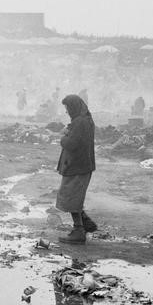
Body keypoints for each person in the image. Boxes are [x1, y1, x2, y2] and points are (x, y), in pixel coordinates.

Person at [55, 94, 97, 244]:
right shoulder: (85, 120)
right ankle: (85, 222)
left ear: (73, 107)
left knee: (70, 196)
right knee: (74, 196)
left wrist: (63, 137)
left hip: (77, 166)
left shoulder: (80, 123)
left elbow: (71, 144)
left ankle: (79, 230)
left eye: (67, 108)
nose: (66, 111)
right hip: (80, 165)